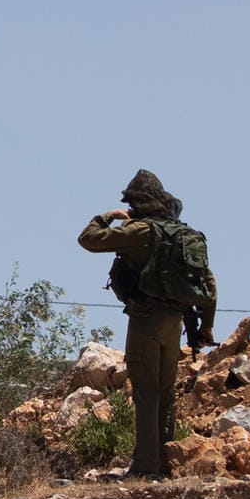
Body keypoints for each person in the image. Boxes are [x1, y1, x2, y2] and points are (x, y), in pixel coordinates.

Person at [78, 169, 217, 478]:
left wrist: (108, 216)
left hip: (144, 322)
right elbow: (209, 282)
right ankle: (166, 463)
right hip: (175, 323)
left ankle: (144, 468)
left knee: (146, 393)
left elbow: (87, 239)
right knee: (166, 393)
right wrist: (206, 326)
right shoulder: (184, 235)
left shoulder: (140, 231)